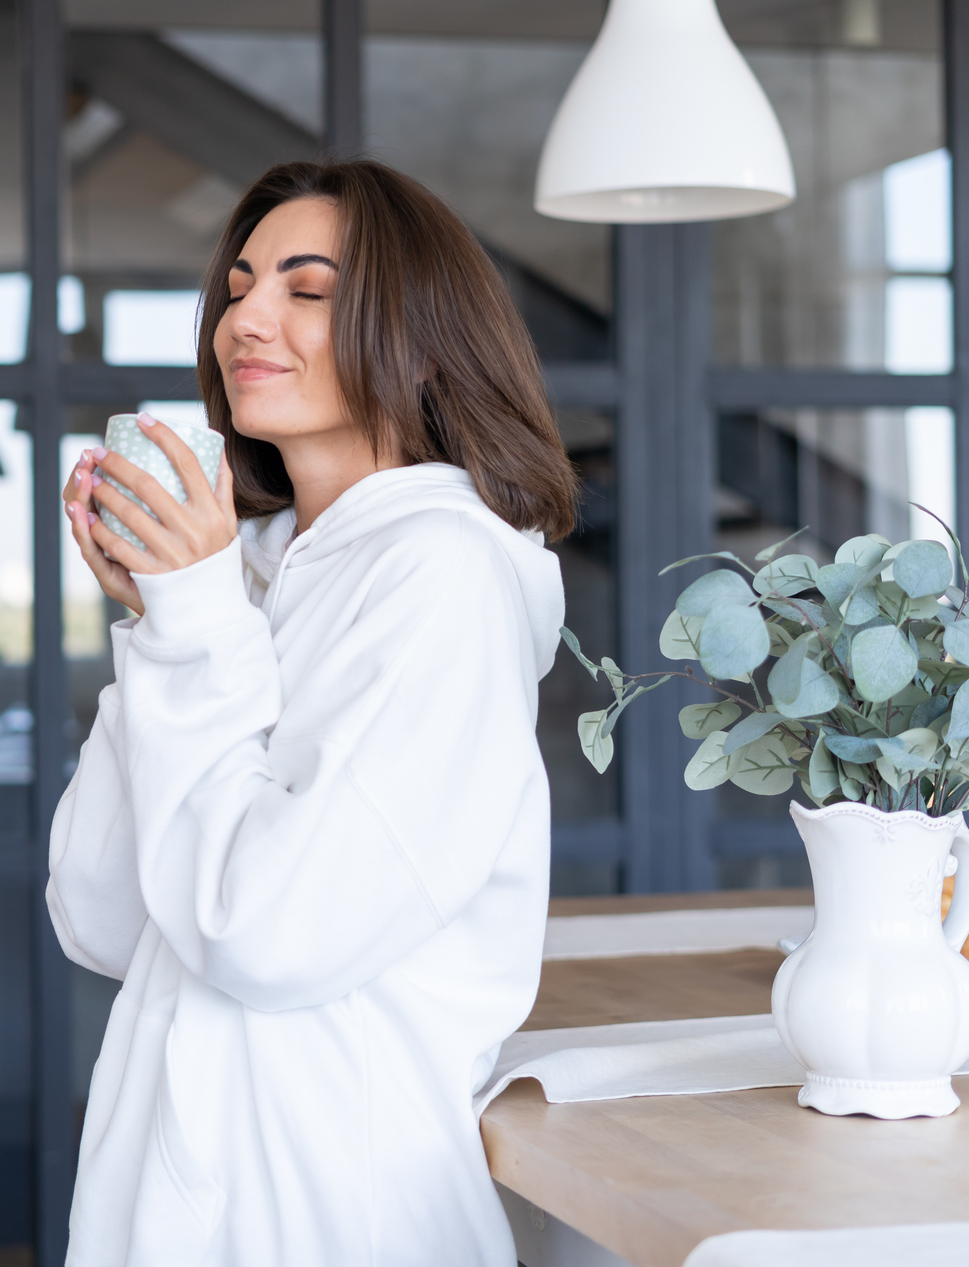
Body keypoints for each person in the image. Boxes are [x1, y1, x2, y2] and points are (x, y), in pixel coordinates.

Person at [48, 159, 580, 1267]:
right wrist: (158, 625)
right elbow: (98, 917)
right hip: (171, 1191)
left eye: (306, 290)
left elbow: (267, 935)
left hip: (331, 1203)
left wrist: (192, 627)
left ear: (422, 337)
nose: (244, 317)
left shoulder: (445, 575)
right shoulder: (243, 574)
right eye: (240, 286)